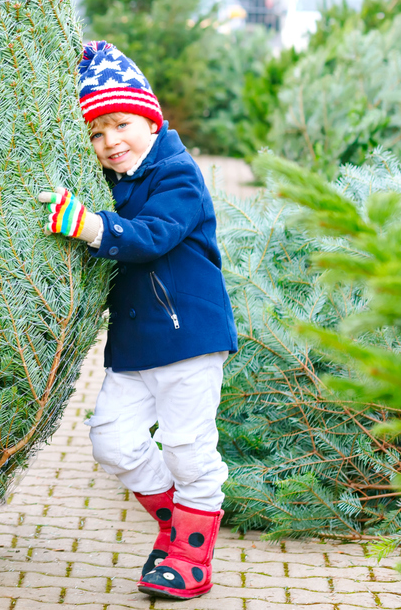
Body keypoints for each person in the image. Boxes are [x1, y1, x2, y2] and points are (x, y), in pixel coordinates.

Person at [36, 40, 238, 600]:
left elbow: (152, 236)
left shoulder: (177, 174)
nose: (110, 143)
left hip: (189, 338)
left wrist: (90, 225)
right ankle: (179, 521)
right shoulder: (114, 182)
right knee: (111, 439)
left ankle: (192, 556)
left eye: (120, 124)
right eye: (96, 135)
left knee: (187, 445)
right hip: (134, 343)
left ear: (149, 118)